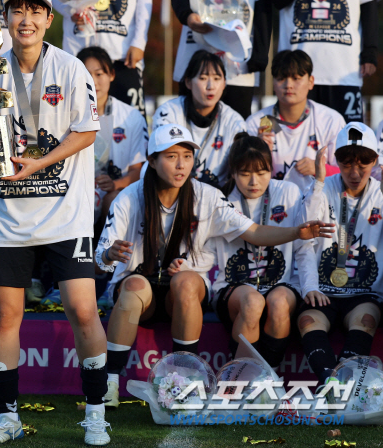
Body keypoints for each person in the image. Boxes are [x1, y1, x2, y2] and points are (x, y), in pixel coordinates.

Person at [0, 0, 110, 445]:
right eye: (17, 11)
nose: (25, 20)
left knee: (82, 310)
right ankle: (7, 417)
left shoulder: (70, 68)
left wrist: (38, 164)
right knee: (6, 316)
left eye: (35, 11)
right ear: (6, 19)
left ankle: (96, 414)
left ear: (49, 19)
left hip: (66, 212)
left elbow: (86, 132)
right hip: (11, 217)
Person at [96, 124, 333, 408]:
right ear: (152, 161)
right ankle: (108, 383)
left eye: (187, 155)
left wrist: (296, 232)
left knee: (186, 281)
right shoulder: (129, 197)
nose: (181, 164)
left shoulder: (207, 195)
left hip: (180, 292)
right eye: (171, 157)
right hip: (140, 293)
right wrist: (110, 253)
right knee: (134, 284)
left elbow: (254, 231)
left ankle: (182, 382)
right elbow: (100, 262)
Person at [209, 134, 306, 366]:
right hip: (233, 287)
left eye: (262, 173)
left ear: (271, 170)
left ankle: (269, 381)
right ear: (232, 172)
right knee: (253, 301)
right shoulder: (220, 201)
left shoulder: (289, 192)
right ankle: (240, 380)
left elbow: (305, 247)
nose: (254, 182)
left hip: (280, 284)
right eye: (244, 174)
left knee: (279, 301)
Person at [298, 122, 383, 386]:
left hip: (364, 292)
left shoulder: (380, 194)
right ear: (335, 161)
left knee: (366, 319)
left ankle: (344, 382)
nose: (355, 173)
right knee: (308, 319)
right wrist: (311, 286)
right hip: (324, 289)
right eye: (347, 164)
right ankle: (329, 384)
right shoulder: (320, 190)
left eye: (363, 165)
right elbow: (305, 240)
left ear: (376, 161)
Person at [247, 50, 345, 189]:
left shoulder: (330, 120)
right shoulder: (258, 122)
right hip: (271, 206)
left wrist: (321, 170)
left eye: (296, 78)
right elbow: (242, 176)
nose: (288, 85)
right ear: (273, 82)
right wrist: (258, 154)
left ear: (311, 82)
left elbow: (350, 173)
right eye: (281, 78)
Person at [152, 50, 245, 188]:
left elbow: (240, 173)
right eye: (202, 78)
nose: (210, 86)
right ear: (188, 82)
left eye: (217, 78)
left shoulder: (234, 121)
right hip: (174, 191)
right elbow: (160, 163)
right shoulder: (169, 113)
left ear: (225, 83)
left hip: (216, 198)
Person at [78, 46, 146, 234]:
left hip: (113, 191)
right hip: (76, 192)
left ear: (112, 75)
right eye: (86, 74)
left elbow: (137, 171)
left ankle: (108, 260)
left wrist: (115, 184)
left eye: (99, 74)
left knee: (114, 199)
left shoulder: (131, 117)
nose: (93, 81)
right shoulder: (66, 115)